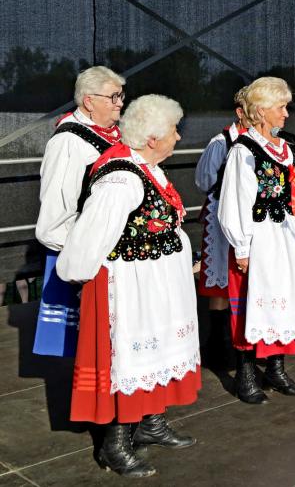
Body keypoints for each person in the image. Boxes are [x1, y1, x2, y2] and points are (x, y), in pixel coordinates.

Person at [57, 94, 199, 478]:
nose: (178, 138)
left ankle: (151, 423)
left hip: (154, 284)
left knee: (158, 352)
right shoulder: (121, 179)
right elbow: (88, 239)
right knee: (130, 360)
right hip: (128, 288)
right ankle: (115, 445)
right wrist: (81, 279)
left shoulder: (146, 168)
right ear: (152, 138)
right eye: (174, 131)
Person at [218, 77, 295, 404]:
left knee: (287, 298)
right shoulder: (244, 151)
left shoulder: (285, 148)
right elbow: (235, 202)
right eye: (281, 107)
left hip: (290, 235)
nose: (287, 114)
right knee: (252, 304)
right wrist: (242, 247)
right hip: (262, 238)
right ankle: (245, 374)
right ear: (261, 111)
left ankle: (275, 368)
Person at [33, 66, 125, 357]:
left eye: (121, 96)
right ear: (89, 101)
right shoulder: (69, 141)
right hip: (84, 252)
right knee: (85, 344)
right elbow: (56, 209)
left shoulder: (114, 134)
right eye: (113, 97)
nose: (120, 103)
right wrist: (78, 259)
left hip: (111, 249)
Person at [195, 86, 248, 366]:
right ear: (240, 112)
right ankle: (219, 341)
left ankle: (242, 338)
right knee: (221, 278)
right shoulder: (221, 142)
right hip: (221, 215)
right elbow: (204, 180)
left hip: (251, 219)